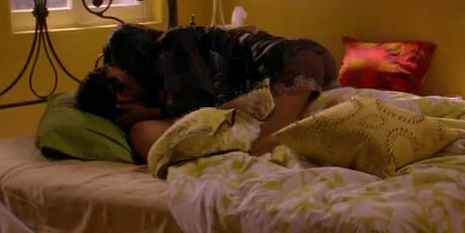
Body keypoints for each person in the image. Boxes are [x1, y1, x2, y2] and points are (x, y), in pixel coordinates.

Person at [77, 24, 339, 158]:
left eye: (118, 68)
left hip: (292, 64)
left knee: (263, 147)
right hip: (308, 56)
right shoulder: (177, 47)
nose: (124, 73)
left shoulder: (168, 49)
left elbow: (198, 101)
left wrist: (151, 112)